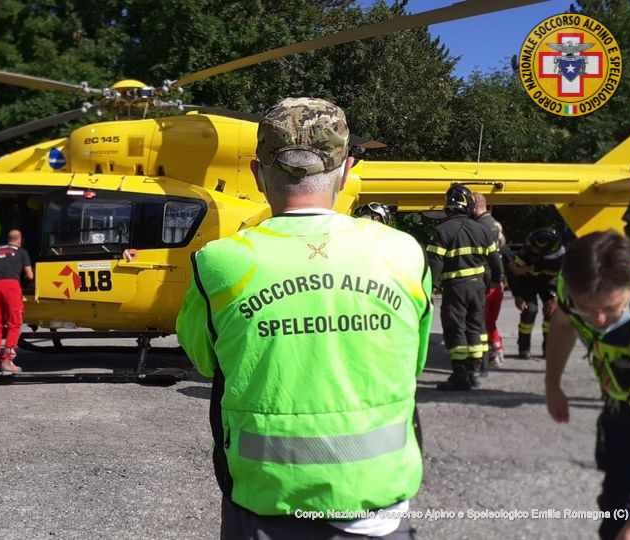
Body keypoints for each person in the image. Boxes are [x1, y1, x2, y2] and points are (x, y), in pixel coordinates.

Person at [177, 97, 432, 539]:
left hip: (266, 503)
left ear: (257, 175)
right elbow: (415, 359)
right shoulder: (403, 253)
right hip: (378, 508)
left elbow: (205, 359)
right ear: (348, 169)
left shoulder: (219, 263)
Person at [544, 231, 630, 540]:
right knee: (614, 510)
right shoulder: (569, 290)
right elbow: (562, 323)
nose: (598, 320)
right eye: (588, 308)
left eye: (612, 309)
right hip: (622, 410)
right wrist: (552, 385)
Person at [426, 184, 503, 390]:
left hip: (455, 289)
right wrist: (497, 280)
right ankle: (475, 371)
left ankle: (460, 375)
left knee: (455, 329)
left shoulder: (441, 231)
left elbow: (434, 265)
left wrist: (429, 289)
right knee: (476, 327)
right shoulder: (484, 230)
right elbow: (495, 260)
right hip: (479, 288)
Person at [507, 227, 564, 359]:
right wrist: (518, 295)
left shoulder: (562, 256)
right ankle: (524, 348)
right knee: (530, 310)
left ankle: (548, 349)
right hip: (528, 282)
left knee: (551, 312)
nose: (535, 251)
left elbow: (566, 279)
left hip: (550, 283)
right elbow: (514, 272)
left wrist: (556, 297)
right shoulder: (526, 251)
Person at [0, 229, 33, 374]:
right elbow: (30, 275)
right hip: (11, 286)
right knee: (14, 323)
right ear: (20, 239)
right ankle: (7, 361)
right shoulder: (22, 252)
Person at [471, 193, 507, 367]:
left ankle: (486, 354)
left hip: (484, 281)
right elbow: (503, 250)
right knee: (490, 320)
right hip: (496, 281)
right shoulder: (496, 225)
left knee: (482, 320)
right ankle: (497, 349)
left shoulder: (477, 227)